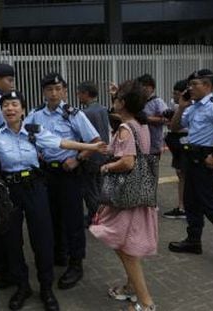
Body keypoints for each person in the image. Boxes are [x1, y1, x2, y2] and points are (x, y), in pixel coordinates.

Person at [0, 91, 106, 311]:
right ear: (1, 111)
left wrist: (91, 147)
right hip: (10, 191)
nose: (10, 109)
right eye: (5, 106)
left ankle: (46, 288)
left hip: (35, 188)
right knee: (12, 239)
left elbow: (61, 143)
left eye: (14, 104)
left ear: (22, 110)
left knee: (43, 238)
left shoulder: (34, 131)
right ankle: (22, 286)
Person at [24, 73, 101, 290]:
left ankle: (76, 264)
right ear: (44, 92)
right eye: (50, 89)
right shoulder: (35, 115)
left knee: (73, 220)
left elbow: (94, 141)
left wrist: (77, 159)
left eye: (58, 89)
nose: (54, 93)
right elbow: (23, 135)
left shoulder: (73, 114)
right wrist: (35, 152)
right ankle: (61, 254)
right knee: (51, 217)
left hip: (69, 175)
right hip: (46, 174)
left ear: (65, 91)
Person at [89, 80, 158, 311]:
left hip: (125, 198)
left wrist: (106, 167)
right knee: (126, 245)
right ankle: (130, 288)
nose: (113, 101)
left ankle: (146, 303)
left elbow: (128, 162)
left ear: (123, 103)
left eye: (117, 98)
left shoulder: (126, 128)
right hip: (138, 195)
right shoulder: (141, 123)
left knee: (126, 250)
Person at [168, 69, 213, 268]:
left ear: (208, 86)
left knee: (211, 207)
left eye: (195, 84)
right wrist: (181, 107)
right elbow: (174, 127)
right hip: (191, 158)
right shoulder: (192, 107)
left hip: (207, 160)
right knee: (191, 203)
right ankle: (193, 241)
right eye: (190, 85)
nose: (190, 88)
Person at [77, 80, 110, 227]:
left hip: (90, 155)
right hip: (103, 154)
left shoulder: (85, 113)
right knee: (98, 186)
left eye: (79, 93)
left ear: (85, 93)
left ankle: (94, 217)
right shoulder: (102, 109)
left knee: (89, 189)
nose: (78, 96)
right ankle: (99, 215)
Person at [162, 79, 188, 219]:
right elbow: (172, 124)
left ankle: (184, 208)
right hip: (175, 140)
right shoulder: (176, 104)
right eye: (173, 93)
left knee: (185, 174)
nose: (174, 96)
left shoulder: (192, 106)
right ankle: (182, 206)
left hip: (186, 141)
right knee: (180, 173)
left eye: (177, 93)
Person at [137, 74, 167, 156]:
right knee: (141, 168)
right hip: (139, 143)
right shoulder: (137, 102)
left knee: (151, 167)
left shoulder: (157, 101)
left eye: (146, 86)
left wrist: (148, 119)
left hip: (153, 144)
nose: (143, 88)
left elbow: (167, 119)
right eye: (141, 86)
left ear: (152, 88)